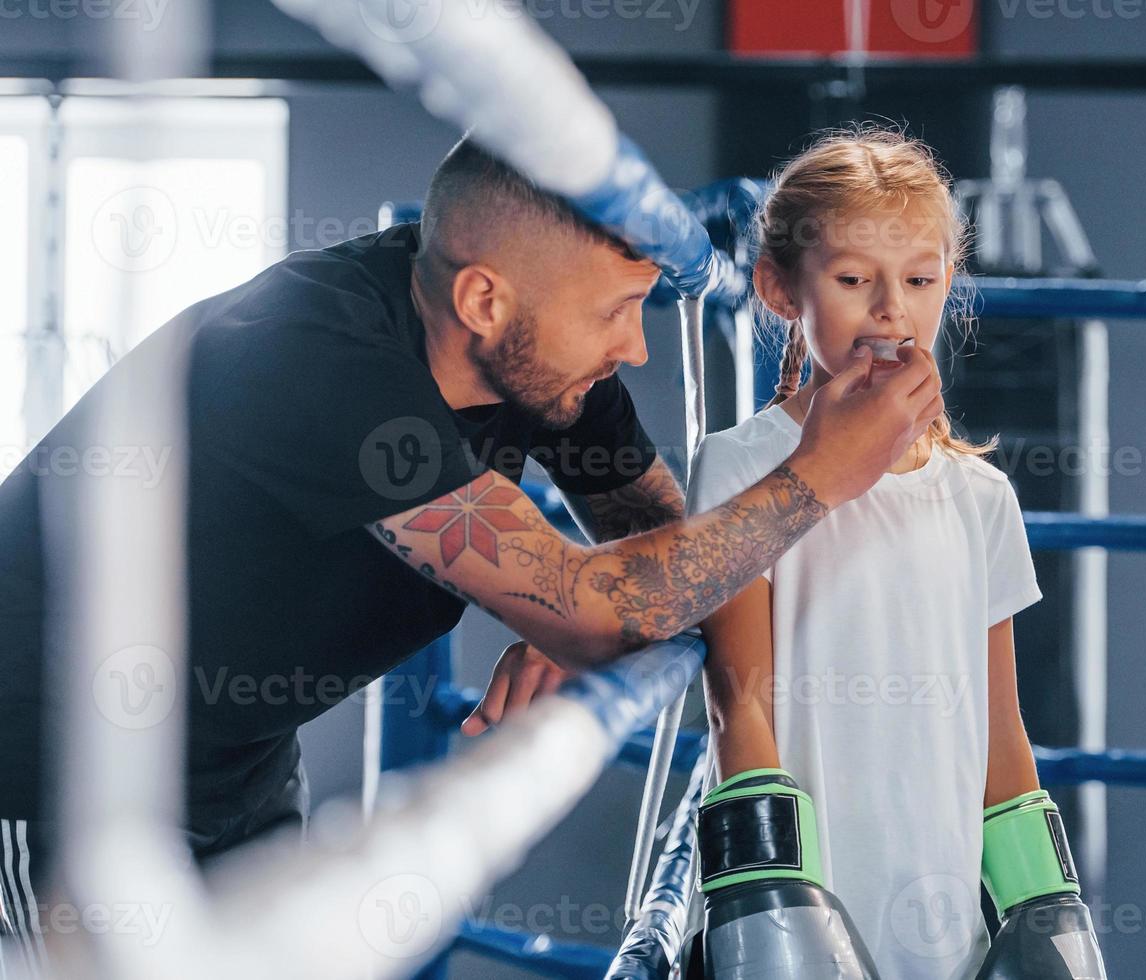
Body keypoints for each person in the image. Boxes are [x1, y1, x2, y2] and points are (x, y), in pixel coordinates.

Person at [0, 135, 941, 971]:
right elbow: (607, 601)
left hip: (234, 766)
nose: (636, 349)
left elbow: (653, 566)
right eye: (615, 311)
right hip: (51, 776)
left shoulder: (545, 365)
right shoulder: (312, 357)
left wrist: (580, 610)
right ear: (484, 298)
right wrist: (819, 472)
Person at [685, 129, 1106, 979]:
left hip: (945, 912)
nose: (891, 309)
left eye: (919, 279)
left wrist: (1044, 903)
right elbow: (739, 701)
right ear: (779, 289)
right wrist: (775, 904)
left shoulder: (979, 497)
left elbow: (1001, 727)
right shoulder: (740, 465)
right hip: (808, 893)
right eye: (852, 280)